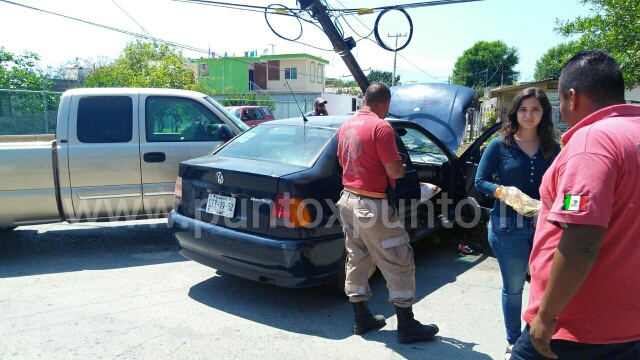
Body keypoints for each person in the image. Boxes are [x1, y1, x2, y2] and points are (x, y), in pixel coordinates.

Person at [511, 50, 640, 359]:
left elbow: (582, 239)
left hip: (578, 324)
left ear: (572, 96)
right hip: (627, 320)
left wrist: (546, 316)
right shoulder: (632, 134)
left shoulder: (592, 142)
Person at [336, 82, 439, 343]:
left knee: (357, 258)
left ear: (363, 100)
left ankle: (361, 319)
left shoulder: (346, 126)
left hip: (347, 200)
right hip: (373, 204)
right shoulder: (382, 127)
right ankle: (406, 326)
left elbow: (342, 162)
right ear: (386, 103)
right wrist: (402, 170)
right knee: (398, 260)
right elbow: (394, 171)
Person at [475, 87, 560, 359]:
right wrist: (503, 192)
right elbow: (480, 181)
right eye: (523, 109)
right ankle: (515, 341)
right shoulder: (500, 145)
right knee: (514, 288)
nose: (529, 114)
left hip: (544, 227)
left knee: (543, 285)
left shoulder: (552, 147)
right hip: (507, 227)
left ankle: (534, 335)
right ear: (515, 113)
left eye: (535, 109)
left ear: (544, 113)